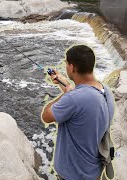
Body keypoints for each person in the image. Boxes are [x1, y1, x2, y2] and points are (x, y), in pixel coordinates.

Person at [41, 45, 115, 180]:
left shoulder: (74, 99)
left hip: (73, 174)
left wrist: (68, 93)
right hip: (93, 171)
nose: (65, 67)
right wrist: (67, 87)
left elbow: (46, 116)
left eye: (66, 63)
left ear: (72, 67)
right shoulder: (106, 91)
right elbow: (81, 101)